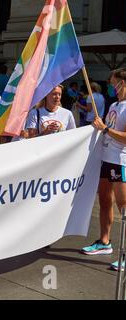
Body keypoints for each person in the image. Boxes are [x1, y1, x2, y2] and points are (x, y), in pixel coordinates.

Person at [81, 68, 126, 271]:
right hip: (107, 159)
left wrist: (106, 129)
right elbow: (105, 129)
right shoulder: (114, 105)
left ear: (122, 83)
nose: (110, 86)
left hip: (120, 162)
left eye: (113, 82)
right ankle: (104, 242)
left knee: (124, 209)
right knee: (105, 200)